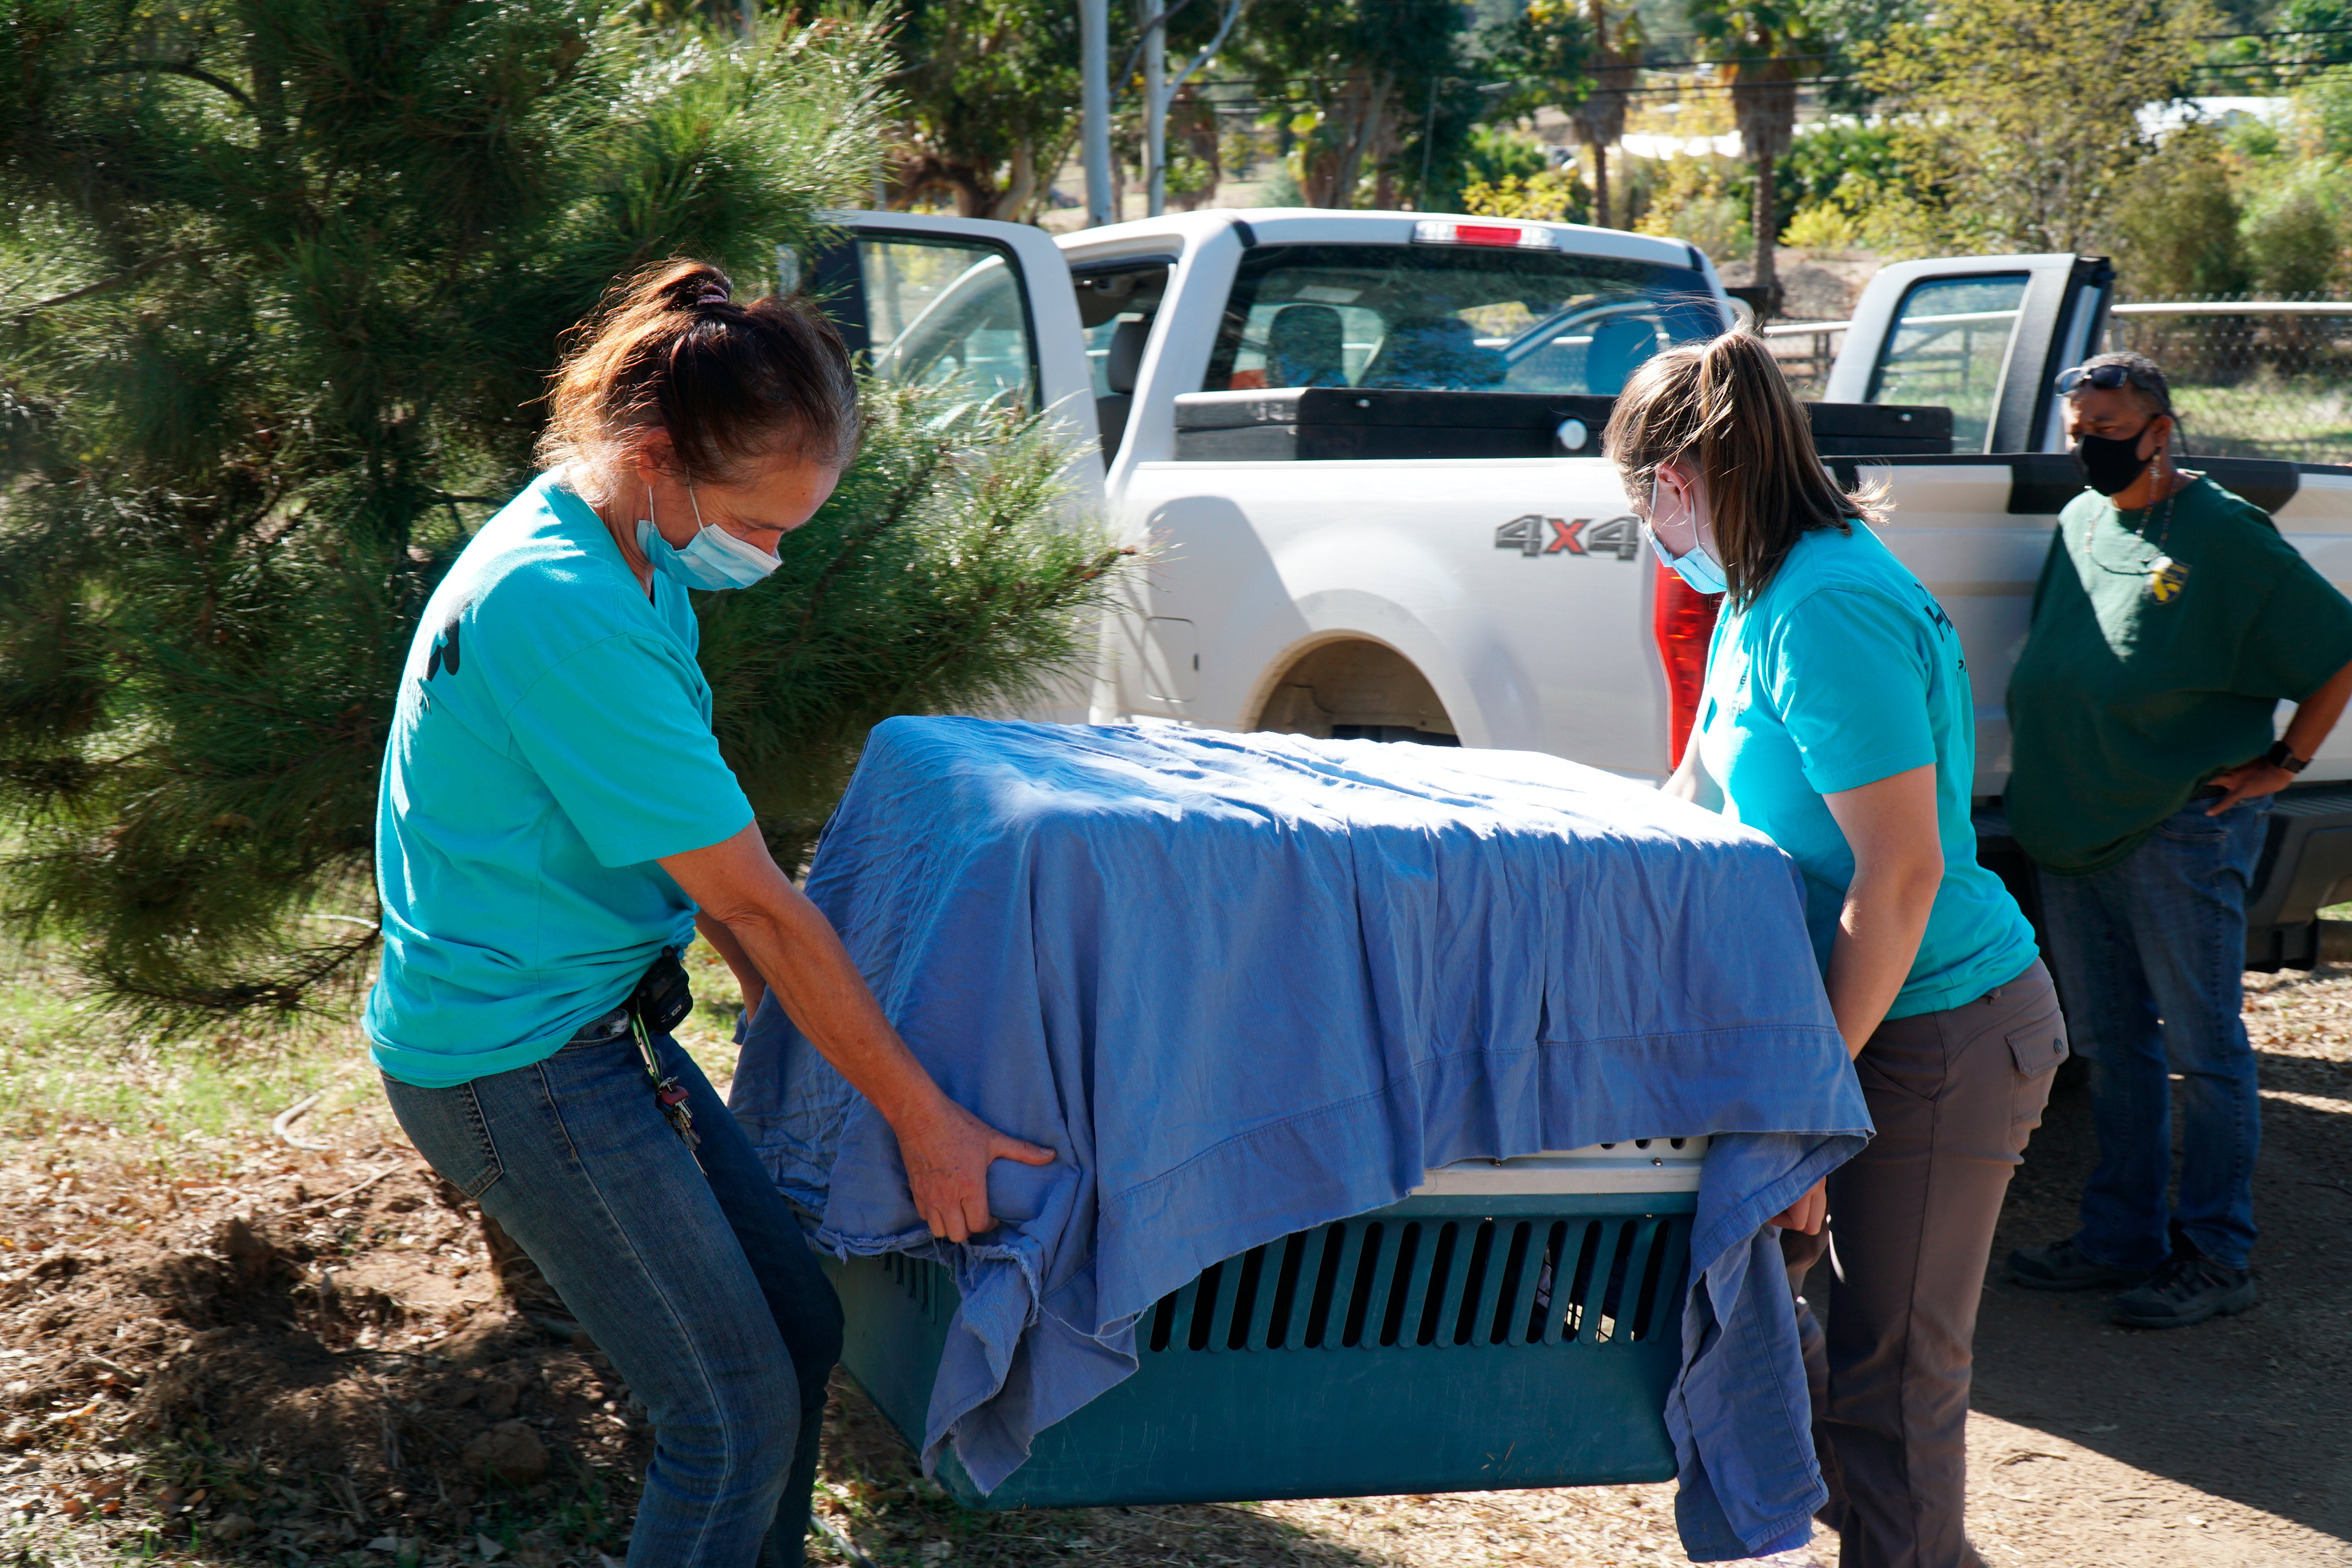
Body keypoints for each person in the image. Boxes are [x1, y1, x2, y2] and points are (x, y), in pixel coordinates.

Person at [365, 260, 1053, 1568]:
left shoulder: (628, 549)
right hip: (518, 1062)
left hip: (591, 1026)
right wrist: (928, 1121)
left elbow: (728, 899)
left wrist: (864, 1070)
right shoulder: (559, 606)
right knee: (729, 1416)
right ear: (655, 451)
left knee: (796, 1332)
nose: (772, 558)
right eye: (762, 523)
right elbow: (756, 906)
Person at [1607, 332, 2064, 1568]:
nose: (1644, 519)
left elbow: (1903, 872)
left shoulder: (1826, 606)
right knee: (1758, 1328)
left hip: (1936, 1028)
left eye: (1643, 491)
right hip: (1839, 1025)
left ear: (1692, 470)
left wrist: (1808, 1098)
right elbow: (1693, 797)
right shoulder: (1762, 590)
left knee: (1890, 1388)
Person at [2004, 351, 2352, 1329]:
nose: (2088, 448)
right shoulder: (2081, 519)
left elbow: (2337, 645)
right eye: (2076, 431)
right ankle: (2120, 1236)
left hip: (2177, 828)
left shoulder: (2224, 535)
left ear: (2161, 428)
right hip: (2078, 828)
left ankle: (2216, 1253)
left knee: (2204, 1048)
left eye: (2107, 430)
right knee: (2114, 1047)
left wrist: (2284, 761)